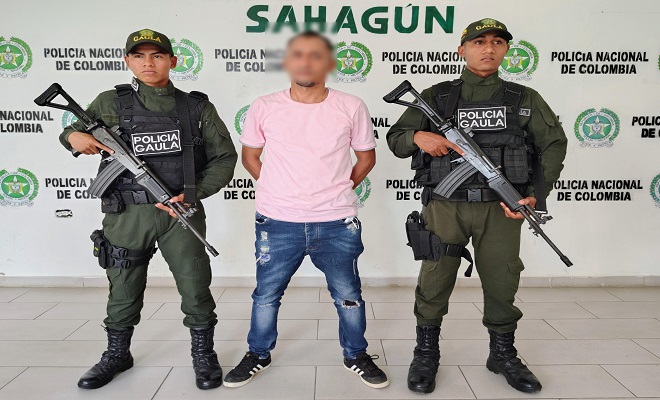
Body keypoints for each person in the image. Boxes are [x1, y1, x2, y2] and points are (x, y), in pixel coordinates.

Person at [386, 18, 567, 394]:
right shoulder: (436, 97)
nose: (488, 48)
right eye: (479, 42)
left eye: (497, 42)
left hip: (501, 210)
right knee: (435, 278)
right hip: (445, 206)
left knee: (502, 281)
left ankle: (502, 354)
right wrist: (419, 136)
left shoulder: (523, 99)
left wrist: (535, 194)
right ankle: (426, 353)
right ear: (462, 50)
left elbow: (552, 145)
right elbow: (396, 138)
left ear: (506, 50)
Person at [59, 29, 237, 390]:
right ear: (128, 61)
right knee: (123, 286)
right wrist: (72, 137)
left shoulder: (197, 107)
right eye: (139, 56)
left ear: (173, 60)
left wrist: (193, 194)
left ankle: (203, 354)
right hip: (126, 214)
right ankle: (117, 354)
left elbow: (224, 158)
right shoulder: (110, 102)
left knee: (195, 285)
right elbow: (74, 133)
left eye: (157, 56)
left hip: (181, 214)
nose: (148, 63)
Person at [223, 31, 388, 390]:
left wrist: (339, 187)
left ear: (329, 63)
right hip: (277, 220)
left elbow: (366, 157)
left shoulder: (351, 105)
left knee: (348, 294)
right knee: (266, 294)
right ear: (288, 62)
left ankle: (356, 354)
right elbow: (250, 156)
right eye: (298, 54)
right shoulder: (264, 106)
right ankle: (258, 353)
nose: (306, 62)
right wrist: (277, 187)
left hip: (336, 221)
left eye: (316, 55)